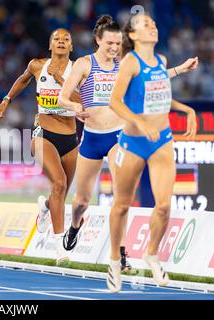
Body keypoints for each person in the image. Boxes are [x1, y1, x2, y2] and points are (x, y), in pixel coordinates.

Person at [58, 16, 198, 272]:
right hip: (91, 137)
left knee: (120, 197)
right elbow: (62, 97)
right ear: (98, 40)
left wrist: (179, 69)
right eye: (109, 43)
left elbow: (153, 77)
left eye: (117, 43)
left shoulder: (124, 64)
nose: (114, 47)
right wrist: (74, 106)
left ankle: (121, 254)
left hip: (118, 137)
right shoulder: (83, 64)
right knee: (80, 201)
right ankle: (76, 224)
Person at [106, 14, 197, 292]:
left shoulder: (162, 61)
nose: (153, 26)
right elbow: (115, 102)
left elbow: (159, 95)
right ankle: (113, 260)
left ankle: (152, 253)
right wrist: (140, 122)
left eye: (154, 23)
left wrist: (187, 109)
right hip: (133, 143)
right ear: (132, 35)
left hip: (162, 140)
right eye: (145, 24)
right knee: (121, 205)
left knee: (164, 205)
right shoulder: (130, 62)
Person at [0, 29, 89, 265]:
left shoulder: (79, 70)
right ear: (50, 44)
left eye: (67, 39)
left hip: (70, 136)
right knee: (59, 183)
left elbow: (83, 102)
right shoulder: (37, 65)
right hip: (43, 133)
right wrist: (6, 100)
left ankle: (45, 207)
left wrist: (61, 81)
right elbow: (23, 79)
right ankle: (59, 248)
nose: (62, 42)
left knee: (61, 192)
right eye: (57, 38)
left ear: (72, 47)